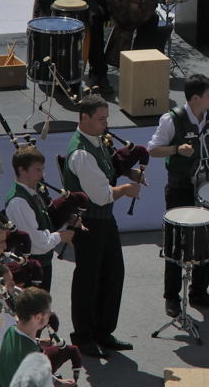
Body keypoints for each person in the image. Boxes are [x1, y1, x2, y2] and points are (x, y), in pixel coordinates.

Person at [148, 73, 209, 315]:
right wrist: (177, 149)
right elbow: (154, 149)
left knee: (204, 239)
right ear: (196, 98)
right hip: (180, 187)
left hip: (205, 185)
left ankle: (199, 292)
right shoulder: (172, 119)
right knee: (177, 242)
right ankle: (172, 296)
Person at [61, 95, 142, 358]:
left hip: (104, 220)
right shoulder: (81, 152)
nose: (105, 124)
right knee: (88, 279)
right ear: (84, 117)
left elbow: (109, 168)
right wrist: (126, 190)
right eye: (101, 119)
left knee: (113, 273)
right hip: (89, 223)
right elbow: (101, 195)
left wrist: (129, 173)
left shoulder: (96, 141)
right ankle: (83, 336)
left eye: (106, 118)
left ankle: (103, 331)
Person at [4, 146, 76, 293]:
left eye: (42, 169)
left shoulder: (32, 192)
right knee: (35, 312)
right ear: (22, 170)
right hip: (31, 269)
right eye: (37, 170)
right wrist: (60, 236)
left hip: (41, 264)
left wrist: (67, 218)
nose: (42, 174)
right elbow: (36, 243)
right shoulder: (19, 202)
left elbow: (43, 222)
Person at [0, 287, 76, 387]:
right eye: (48, 312)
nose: (51, 313)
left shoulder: (10, 331)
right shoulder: (32, 355)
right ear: (38, 317)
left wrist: (58, 382)